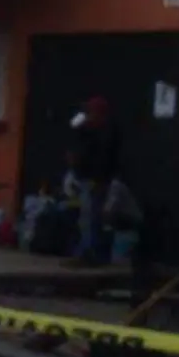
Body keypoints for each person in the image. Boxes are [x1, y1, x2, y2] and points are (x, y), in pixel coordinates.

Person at [68, 96, 122, 266]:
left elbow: (102, 158)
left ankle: (90, 255)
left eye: (90, 112)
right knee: (86, 218)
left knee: (91, 218)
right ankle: (86, 253)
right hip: (87, 178)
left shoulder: (105, 133)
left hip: (96, 179)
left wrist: (93, 175)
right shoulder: (89, 131)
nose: (87, 115)